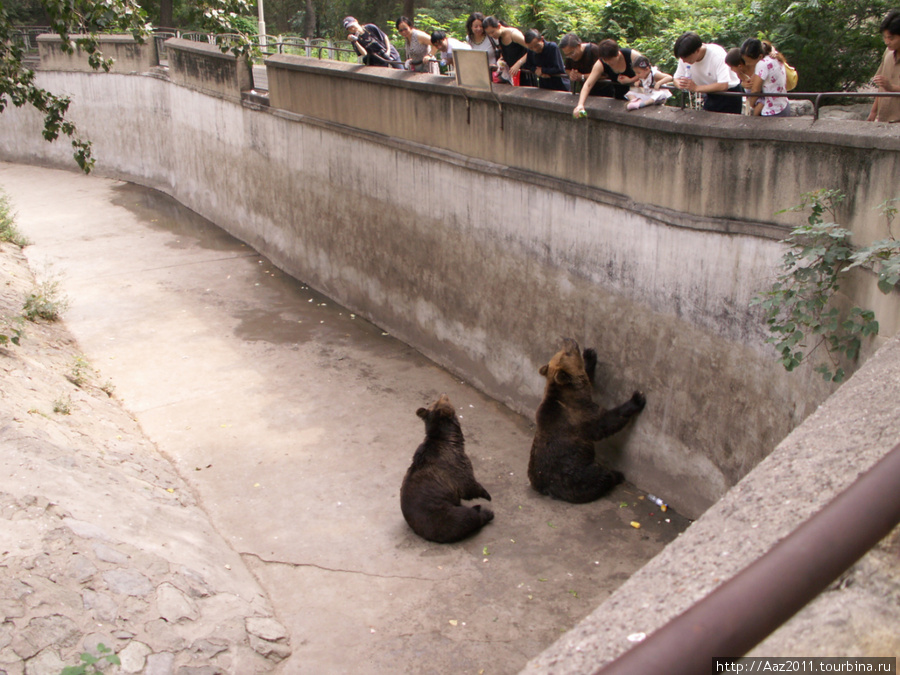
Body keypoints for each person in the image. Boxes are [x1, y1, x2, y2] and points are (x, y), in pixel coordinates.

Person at [672, 32, 743, 113]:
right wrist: (681, 84)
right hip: (709, 94)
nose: (684, 61)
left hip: (729, 94)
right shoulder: (685, 57)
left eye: (685, 58)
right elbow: (675, 78)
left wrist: (695, 88)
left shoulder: (717, 54)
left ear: (697, 50)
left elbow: (723, 85)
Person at [740, 38, 790, 117]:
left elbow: (756, 90)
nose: (747, 64)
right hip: (784, 106)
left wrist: (751, 104)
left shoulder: (762, 64)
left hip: (772, 111)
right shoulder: (774, 55)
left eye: (748, 61)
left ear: (760, 56)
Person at [868, 9, 900, 122]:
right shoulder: (888, 52)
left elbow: (888, 86)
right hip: (883, 118)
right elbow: (881, 86)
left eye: (891, 38)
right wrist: (873, 112)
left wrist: (892, 88)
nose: (887, 42)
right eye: (885, 37)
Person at [559, 33, 616, 97]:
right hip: (586, 91)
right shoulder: (569, 56)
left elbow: (604, 75)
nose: (570, 56)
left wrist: (582, 76)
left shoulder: (593, 50)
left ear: (579, 46)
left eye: (572, 53)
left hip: (604, 90)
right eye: (567, 55)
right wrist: (571, 74)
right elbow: (567, 69)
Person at [482, 16, 531, 85]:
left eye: (492, 32)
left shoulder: (513, 34)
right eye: (489, 34)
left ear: (499, 26)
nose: (491, 35)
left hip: (525, 72)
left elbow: (532, 49)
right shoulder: (500, 37)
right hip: (513, 75)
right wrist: (501, 60)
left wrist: (519, 63)